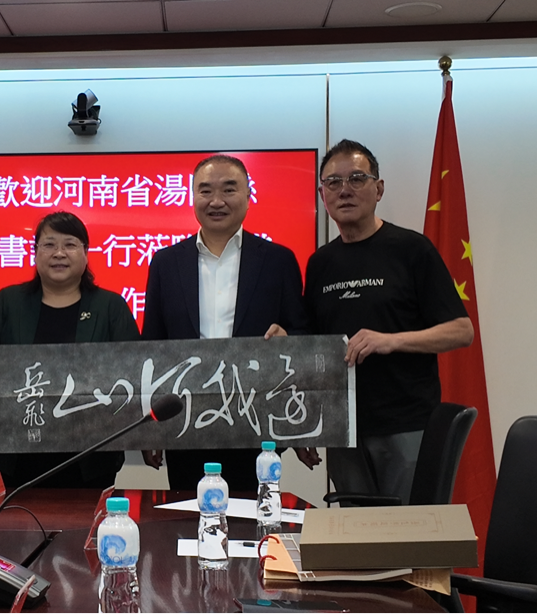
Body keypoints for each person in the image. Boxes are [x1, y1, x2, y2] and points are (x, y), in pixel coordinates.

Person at [299, 139, 473, 504]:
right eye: (333, 182)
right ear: (321, 194)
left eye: (356, 178)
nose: (344, 190)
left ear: (378, 189)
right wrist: (306, 425)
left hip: (406, 426)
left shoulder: (412, 250)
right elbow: (312, 348)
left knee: (409, 531)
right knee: (356, 533)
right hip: (343, 429)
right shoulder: (320, 264)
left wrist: (391, 340)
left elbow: (461, 331)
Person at [141, 154, 308, 492]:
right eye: (205, 191)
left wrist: (288, 337)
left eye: (229, 190)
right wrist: (151, 427)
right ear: (192, 197)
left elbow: (303, 334)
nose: (216, 201)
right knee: (186, 515)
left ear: (248, 195)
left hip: (258, 424)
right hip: (185, 423)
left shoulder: (278, 261)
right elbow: (151, 347)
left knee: (254, 515)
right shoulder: (166, 263)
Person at [0, 211, 139, 489]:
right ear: (35, 252)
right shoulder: (8, 303)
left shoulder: (110, 307)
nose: (59, 253)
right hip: (16, 454)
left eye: (70, 244)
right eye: (49, 244)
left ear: (86, 253)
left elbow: (135, 371)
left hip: (92, 457)